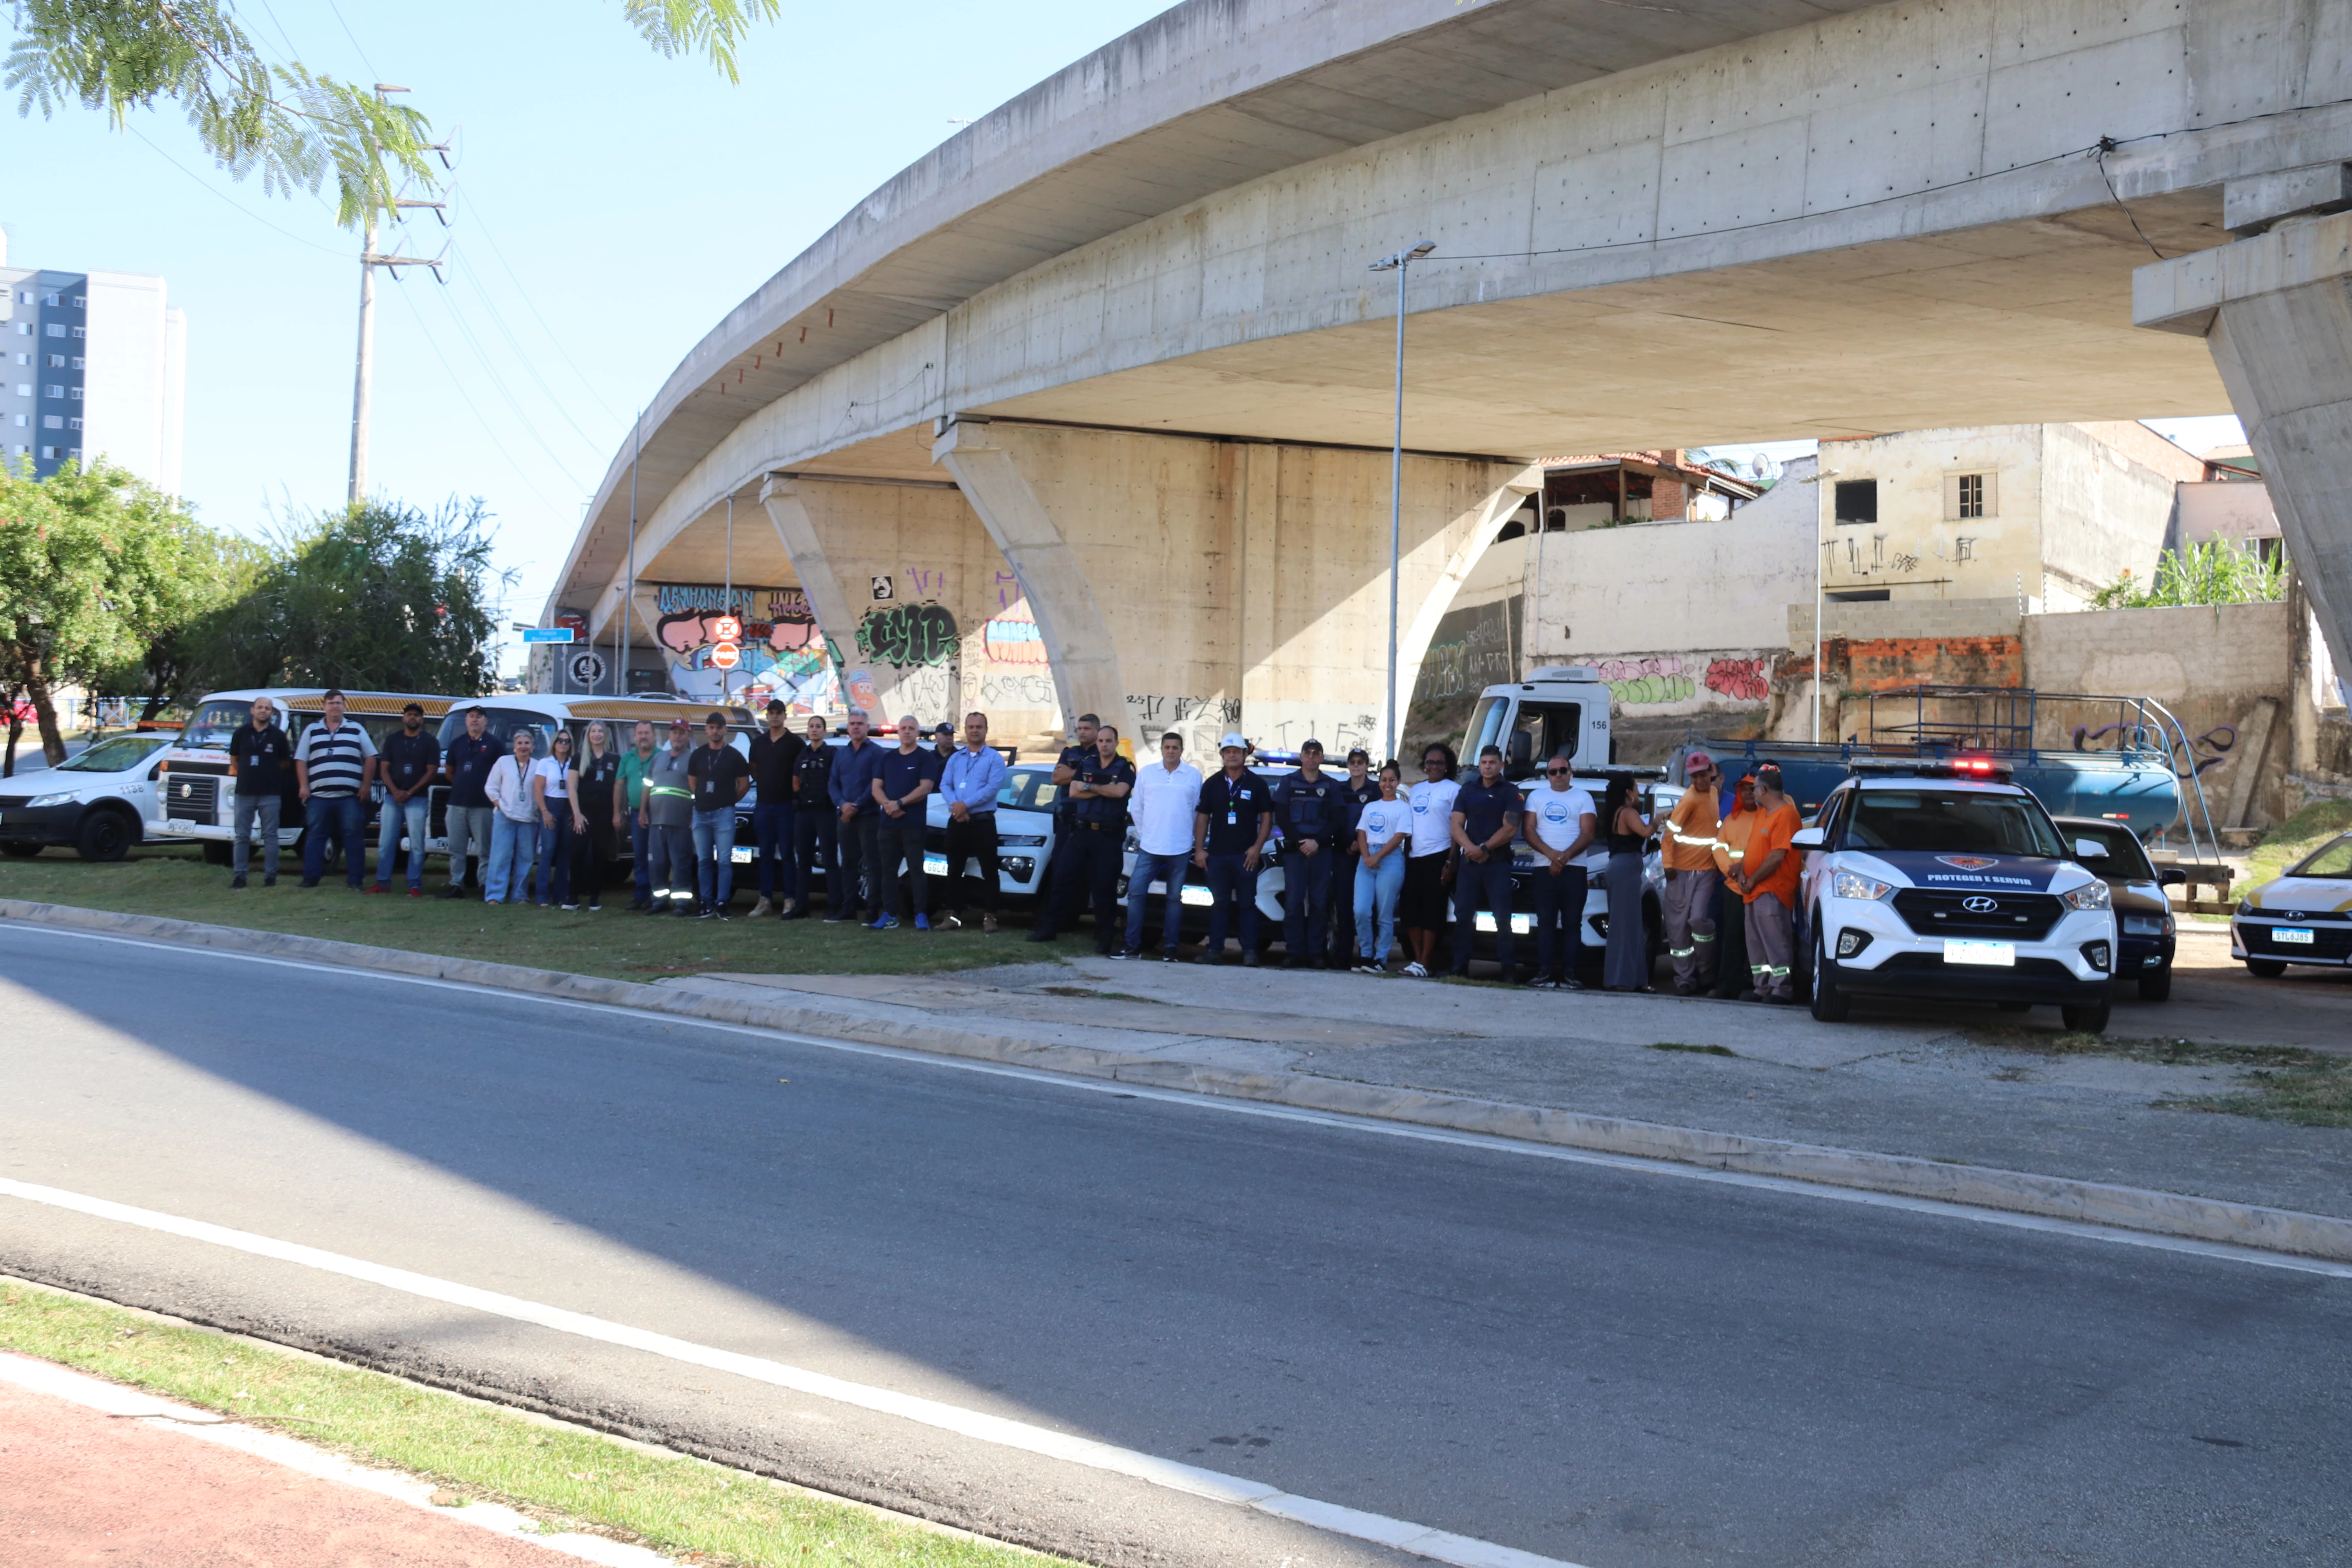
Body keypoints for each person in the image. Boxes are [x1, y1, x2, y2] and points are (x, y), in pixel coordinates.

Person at [1035, 723, 1133, 950]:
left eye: (1109, 741)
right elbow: (1073, 791)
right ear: (1097, 743)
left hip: (1108, 836)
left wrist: (1089, 786)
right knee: (1062, 879)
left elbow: (1119, 792)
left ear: (1116, 743)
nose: (1104, 745)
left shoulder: (1125, 767)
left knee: (1104, 887)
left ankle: (1105, 936)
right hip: (1081, 832)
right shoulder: (1086, 764)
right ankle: (1050, 928)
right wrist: (1103, 787)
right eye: (1101, 741)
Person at [1191, 732, 1271, 965]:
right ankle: (1215, 950)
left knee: (1247, 904)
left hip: (1246, 857)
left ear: (1246, 754)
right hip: (1216, 856)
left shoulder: (1257, 784)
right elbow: (1203, 818)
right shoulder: (1212, 784)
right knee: (1220, 904)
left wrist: (1257, 848)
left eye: (1237, 751)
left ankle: (1250, 953)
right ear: (1222, 755)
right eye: (1228, 752)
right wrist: (1199, 850)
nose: (1232, 755)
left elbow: (1267, 818)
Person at [1121, 730, 1202, 960]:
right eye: (1167, 747)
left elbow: (1197, 811)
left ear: (1181, 751)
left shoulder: (1193, 775)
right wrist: (1148, 834)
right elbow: (1137, 807)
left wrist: (1190, 838)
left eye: (1175, 748)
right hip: (1150, 847)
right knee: (1136, 893)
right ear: (1162, 749)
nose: (1171, 752)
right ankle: (1132, 946)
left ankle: (1171, 949)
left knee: (1175, 899)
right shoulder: (1147, 773)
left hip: (1180, 848)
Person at [1449, 744, 1524, 982]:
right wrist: (1471, 849)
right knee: (1463, 917)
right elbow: (1456, 825)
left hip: (1497, 864)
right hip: (1470, 864)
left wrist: (1484, 848)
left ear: (1502, 765)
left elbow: (1510, 828)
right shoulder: (1468, 791)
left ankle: (1509, 971)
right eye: (1484, 763)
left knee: (1503, 918)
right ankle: (1459, 968)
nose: (1488, 767)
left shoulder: (1511, 792)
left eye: (1492, 763)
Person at [1522, 753, 1598, 989]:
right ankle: (1544, 972)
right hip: (1544, 868)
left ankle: (1570, 974)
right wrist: (1552, 855)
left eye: (1562, 771)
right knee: (1545, 922)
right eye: (1553, 772)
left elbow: (1588, 833)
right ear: (1548, 775)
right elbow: (1529, 830)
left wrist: (1564, 857)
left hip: (1574, 869)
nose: (1558, 776)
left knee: (1572, 923)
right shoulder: (1536, 796)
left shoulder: (1584, 797)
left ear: (1570, 772)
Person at [1271, 739, 1347, 969]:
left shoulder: (1332, 785)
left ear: (1322, 758)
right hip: (1296, 854)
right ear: (1302, 757)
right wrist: (1301, 841)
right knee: (1293, 903)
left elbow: (1338, 819)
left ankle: (1316, 953)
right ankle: (1294, 952)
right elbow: (1282, 816)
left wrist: (1317, 842)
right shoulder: (1288, 783)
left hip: (1321, 853)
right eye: (1308, 753)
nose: (1312, 757)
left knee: (1319, 904)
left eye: (1317, 753)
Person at [1731, 764, 1803, 1003]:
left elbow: (1777, 855)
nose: (1752, 792)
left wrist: (1751, 879)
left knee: (1776, 942)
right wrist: (1743, 871)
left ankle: (1782, 988)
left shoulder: (1786, 815)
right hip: (1754, 890)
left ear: (1764, 790)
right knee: (1757, 944)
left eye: (1755, 788)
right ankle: (1761, 988)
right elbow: (1754, 847)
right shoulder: (1764, 813)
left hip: (1772, 891)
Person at [294, 689, 376, 890]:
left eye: (339, 703)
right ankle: (311, 878)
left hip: (349, 797)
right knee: (316, 836)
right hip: (318, 797)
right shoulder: (311, 730)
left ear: (345, 706)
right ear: (323, 707)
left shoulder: (356, 729)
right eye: (331, 703)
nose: (335, 707)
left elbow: (371, 758)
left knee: (353, 836)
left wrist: (366, 786)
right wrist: (304, 786)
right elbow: (301, 760)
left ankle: (356, 880)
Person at [870, 713, 944, 930]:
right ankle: (890, 914)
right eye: (903, 728)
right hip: (888, 823)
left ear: (918, 733)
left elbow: (926, 788)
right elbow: (876, 787)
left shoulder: (925, 758)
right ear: (898, 731)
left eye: (911, 728)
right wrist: (888, 805)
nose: (907, 732)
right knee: (888, 871)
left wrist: (900, 803)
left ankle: (921, 915)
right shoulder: (888, 758)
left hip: (913, 824)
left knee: (916, 870)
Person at [1659, 752, 1725, 995]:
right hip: (1680, 872)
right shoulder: (1688, 801)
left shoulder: (1714, 794)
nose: (1700, 781)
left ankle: (1706, 968)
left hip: (1707, 870)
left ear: (1711, 773)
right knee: (1678, 929)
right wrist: (1668, 867)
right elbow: (1669, 837)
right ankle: (1685, 979)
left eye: (1703, 775)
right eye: (1695, 777)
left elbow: (1715, 829)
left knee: (1698, 920)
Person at [939, 711, 1009, 933]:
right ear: (966, 730)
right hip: (958, 821)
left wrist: (965, 805)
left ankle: (990, 916)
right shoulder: (956, 758)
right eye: (971, 727)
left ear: (986, 730)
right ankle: (953, 915)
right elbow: (945, 785)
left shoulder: (995, 759)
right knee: (954, 870)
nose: (975, 731)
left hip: (982, 822)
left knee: (989, 871)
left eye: (979, 727)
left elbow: (992, 789)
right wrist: (956, 807)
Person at [1399, 744, 1460, 979]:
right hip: (1415, 857)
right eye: (1430, 762)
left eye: (1439, 763)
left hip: (1440, 855)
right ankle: (1419, 959)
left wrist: (1451, 861)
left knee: (1432, 912)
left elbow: (1457, 829)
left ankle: (1425, 962)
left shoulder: (1454, 790)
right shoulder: (1415, 790)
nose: (1434, 767)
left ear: (1447, 767)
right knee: (1409, 910)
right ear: (1424, 764)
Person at [1036, 713, 1100, 928]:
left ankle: (1073, 919)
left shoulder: (1102, 754)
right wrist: (1085, 775)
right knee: (1061, 869)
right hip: (1067, 818)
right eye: (1080, 728)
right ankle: (1053, 920)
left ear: (1097, 731)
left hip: (1090, 819)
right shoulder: (1070, 752)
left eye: (1087, 729)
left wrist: (1072, 774)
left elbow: (1100, 780)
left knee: (1086, 873)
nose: (1082, 732)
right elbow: (1056, 778)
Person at [370, 702, 439, 897]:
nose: (413, 718)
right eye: (409, 715)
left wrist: (409, 792)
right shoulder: (393, 740)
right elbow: (383, 768)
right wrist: (396, 791)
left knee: (417, 844)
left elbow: (432, 772)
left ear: (422, 719)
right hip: (393, 798)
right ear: (403, 718)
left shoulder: (430, 742)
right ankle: (383, 883)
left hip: (417, 798)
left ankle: (414, 885)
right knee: (386, 842)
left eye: (417, 715)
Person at [745, 699, 805, 919]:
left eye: (779, 713)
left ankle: (790, 898)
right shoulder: (759, 743)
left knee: (788, 854)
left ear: (785, 716)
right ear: (767, 716)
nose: (775, 717)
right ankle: (765, 899)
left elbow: (801, 773)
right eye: (771, 713)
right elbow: (754, 771)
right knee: (766, 853)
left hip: (786, 806)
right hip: (763, 805)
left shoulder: (795, 743)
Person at [689, 710, 751, 920]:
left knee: (724, 861)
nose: (715, 731)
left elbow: (744, 785)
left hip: (725, 813)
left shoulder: (735, 756)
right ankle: (706, 902)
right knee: (704, 860)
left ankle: (723, 902)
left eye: (719, 727)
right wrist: (704, 799)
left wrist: (727, 801)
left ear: (725, 730)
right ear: (707, 730)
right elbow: (693, 783)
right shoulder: (698, 755)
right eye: (712, 727)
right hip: (701, 813)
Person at [225, 695, 291, 889]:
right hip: (244, 792)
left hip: (270, 793)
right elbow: (235, 759)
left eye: (268, 709)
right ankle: (240, 877)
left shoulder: (278, 736)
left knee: (270, 835)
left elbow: (285, 762)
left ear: (272, 713)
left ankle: (270, 877)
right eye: (260, 708)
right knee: (242, 836)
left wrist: (268, 773)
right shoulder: (241, 734)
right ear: (252, 711)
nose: (264, 711)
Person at [1350, 761, 1410, 973]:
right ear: (1379, 782)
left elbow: (1400, 836)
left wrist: (1379, 857)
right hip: (1367, 859)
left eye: (1392, 780)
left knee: (1384, 914)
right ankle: (1366, 955)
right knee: (1361, 910)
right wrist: (1367, 857)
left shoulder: (1403, 807)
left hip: (1390, 858)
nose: (1388, 784)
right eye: (1384, 780)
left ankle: (1381, 959)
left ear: (1398, 782)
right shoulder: (1371, 807)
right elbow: (1362, 833)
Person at [826, 709, 884, 924]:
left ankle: (871, 911)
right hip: (845, 817)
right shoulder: (841, 753)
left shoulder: (877, 753)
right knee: (848, 863)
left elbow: (875, 785)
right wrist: (843, 805)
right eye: (852, 724)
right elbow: (833, 783)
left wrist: (856, 806)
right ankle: (848, 908)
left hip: (868, 816)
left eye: (860, 723)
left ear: (867, 727)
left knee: (872, 864)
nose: (856, 727)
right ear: (848, 727)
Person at [1599, 772, 1656, 991]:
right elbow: (1644, 831)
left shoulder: (1615, 813)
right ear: (1628, 793)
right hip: (1626, 870)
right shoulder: (1627, 812)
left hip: (1621, 867)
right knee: (1625, 925)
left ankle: (1634, 978)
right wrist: (1658, 821)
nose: (1639, 792)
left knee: (1630, 923)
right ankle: (1621, 979)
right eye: (1636, 788)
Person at [440, 705, 500, 898]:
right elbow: (450, 772)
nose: (475, 720)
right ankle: (457, 885)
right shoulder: (457, 743)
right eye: (471, 717)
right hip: (457, 803)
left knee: (485, 850)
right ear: (466, 721)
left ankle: (485, 885)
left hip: (483, 805)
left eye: (479, 717)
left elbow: (501, 774)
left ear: (486, 721)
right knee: (456, 848)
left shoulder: (495, 744)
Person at [1710, 772, 1760, 1000]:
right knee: (1731, 939)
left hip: (1759, 886)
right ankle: (1727, 987)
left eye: (1752, 789)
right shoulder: (1731, 820)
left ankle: (1760, 988)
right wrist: (1732, 869)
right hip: (1732, 887)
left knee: (1760, 940)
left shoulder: (1768, 818)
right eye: (1744, 789)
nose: (1747, 793)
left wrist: (1746, 870)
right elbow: (1719, 847)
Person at [641, 718, 698, 915]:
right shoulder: (659, 758)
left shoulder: (693, 759)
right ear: (669, 735)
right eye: (675, 732)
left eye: (682, 733)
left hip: (681, 822)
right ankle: (659, 901)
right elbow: (648, 785)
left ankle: (682, 903)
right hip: (656, 821)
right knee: (657, 864)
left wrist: (695, 816)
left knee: (681, 864)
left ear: (688, 736)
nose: (678, 736)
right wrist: (642, 811)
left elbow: (697, 791)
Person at [1330, 747, 1379, 963]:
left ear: (1367, 765)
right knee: (1343, 904)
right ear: (1348, 765)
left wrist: (1361, 844)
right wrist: (1348, 842)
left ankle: (1367, 953)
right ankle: (1343, 954)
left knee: (1368, 906)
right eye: (1353, 762)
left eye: (1361, 762)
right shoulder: (1338, 790)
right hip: (1343, 853)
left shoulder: (1376, 790)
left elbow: (1380, 821)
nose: (1357, 766)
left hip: (1368, 855)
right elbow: (1334, 821)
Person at [484, 727, 543, 905]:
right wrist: (500, 805)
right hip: (505, 816)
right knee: (500, 857)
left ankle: (520, 895)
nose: (523, 747)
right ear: (514, 747)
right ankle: (495, 895)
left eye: (527, 743)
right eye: (520, 743)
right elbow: (491, 787)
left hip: (528, 819)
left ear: (532, 746)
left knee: (525, 859)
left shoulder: (539, 766)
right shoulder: (504, 762)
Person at [573, 721, 621, 911]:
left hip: (605, 814)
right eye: (593, 731)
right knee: (578, 853)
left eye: (601, 731)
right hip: (583, 814)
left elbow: (619, 787)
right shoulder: (579, 758)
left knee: (600, 854)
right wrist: (576, 814)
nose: (597, 734)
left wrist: (619, 812)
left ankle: (595, 896)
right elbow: (572, 787)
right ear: (588, 735)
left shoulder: (615, 759)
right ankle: (573, 896)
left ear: (606, 735)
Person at [792, 715, 836, 919]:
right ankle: (801, 907)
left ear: (825, 731)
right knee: (803, 861)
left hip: (825, 812)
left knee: (829, 859)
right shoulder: (802, 755)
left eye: (819, 727)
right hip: (804, 812)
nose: (815, 730)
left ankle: (835, 905)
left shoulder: (832, 754)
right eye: (811, 727)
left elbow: (836, 782)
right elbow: (795, 783)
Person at [615, 720, 661, 911]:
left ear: (654, 736)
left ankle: (656, 896)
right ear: (635, 737)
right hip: (636, 814)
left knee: (657, 857)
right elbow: (619, 785)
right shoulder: (628, 758)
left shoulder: (662, 757)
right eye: (640, 733)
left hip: (658, 814)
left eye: (647, 733)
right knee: (640, 856)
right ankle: (640, 895)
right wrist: (617, 812)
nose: (644, 736)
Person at [531, 728, 579, 908]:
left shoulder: (574, 762)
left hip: (568, 806)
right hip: (550, 805)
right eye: (560, 740)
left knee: (565, 852)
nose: (563, 744)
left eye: (567, 741)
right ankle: (542, 895)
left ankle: (561, 895)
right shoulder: (545, 763)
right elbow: (538, 789)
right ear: (554, 743)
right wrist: (544, 811)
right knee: (548, 849)